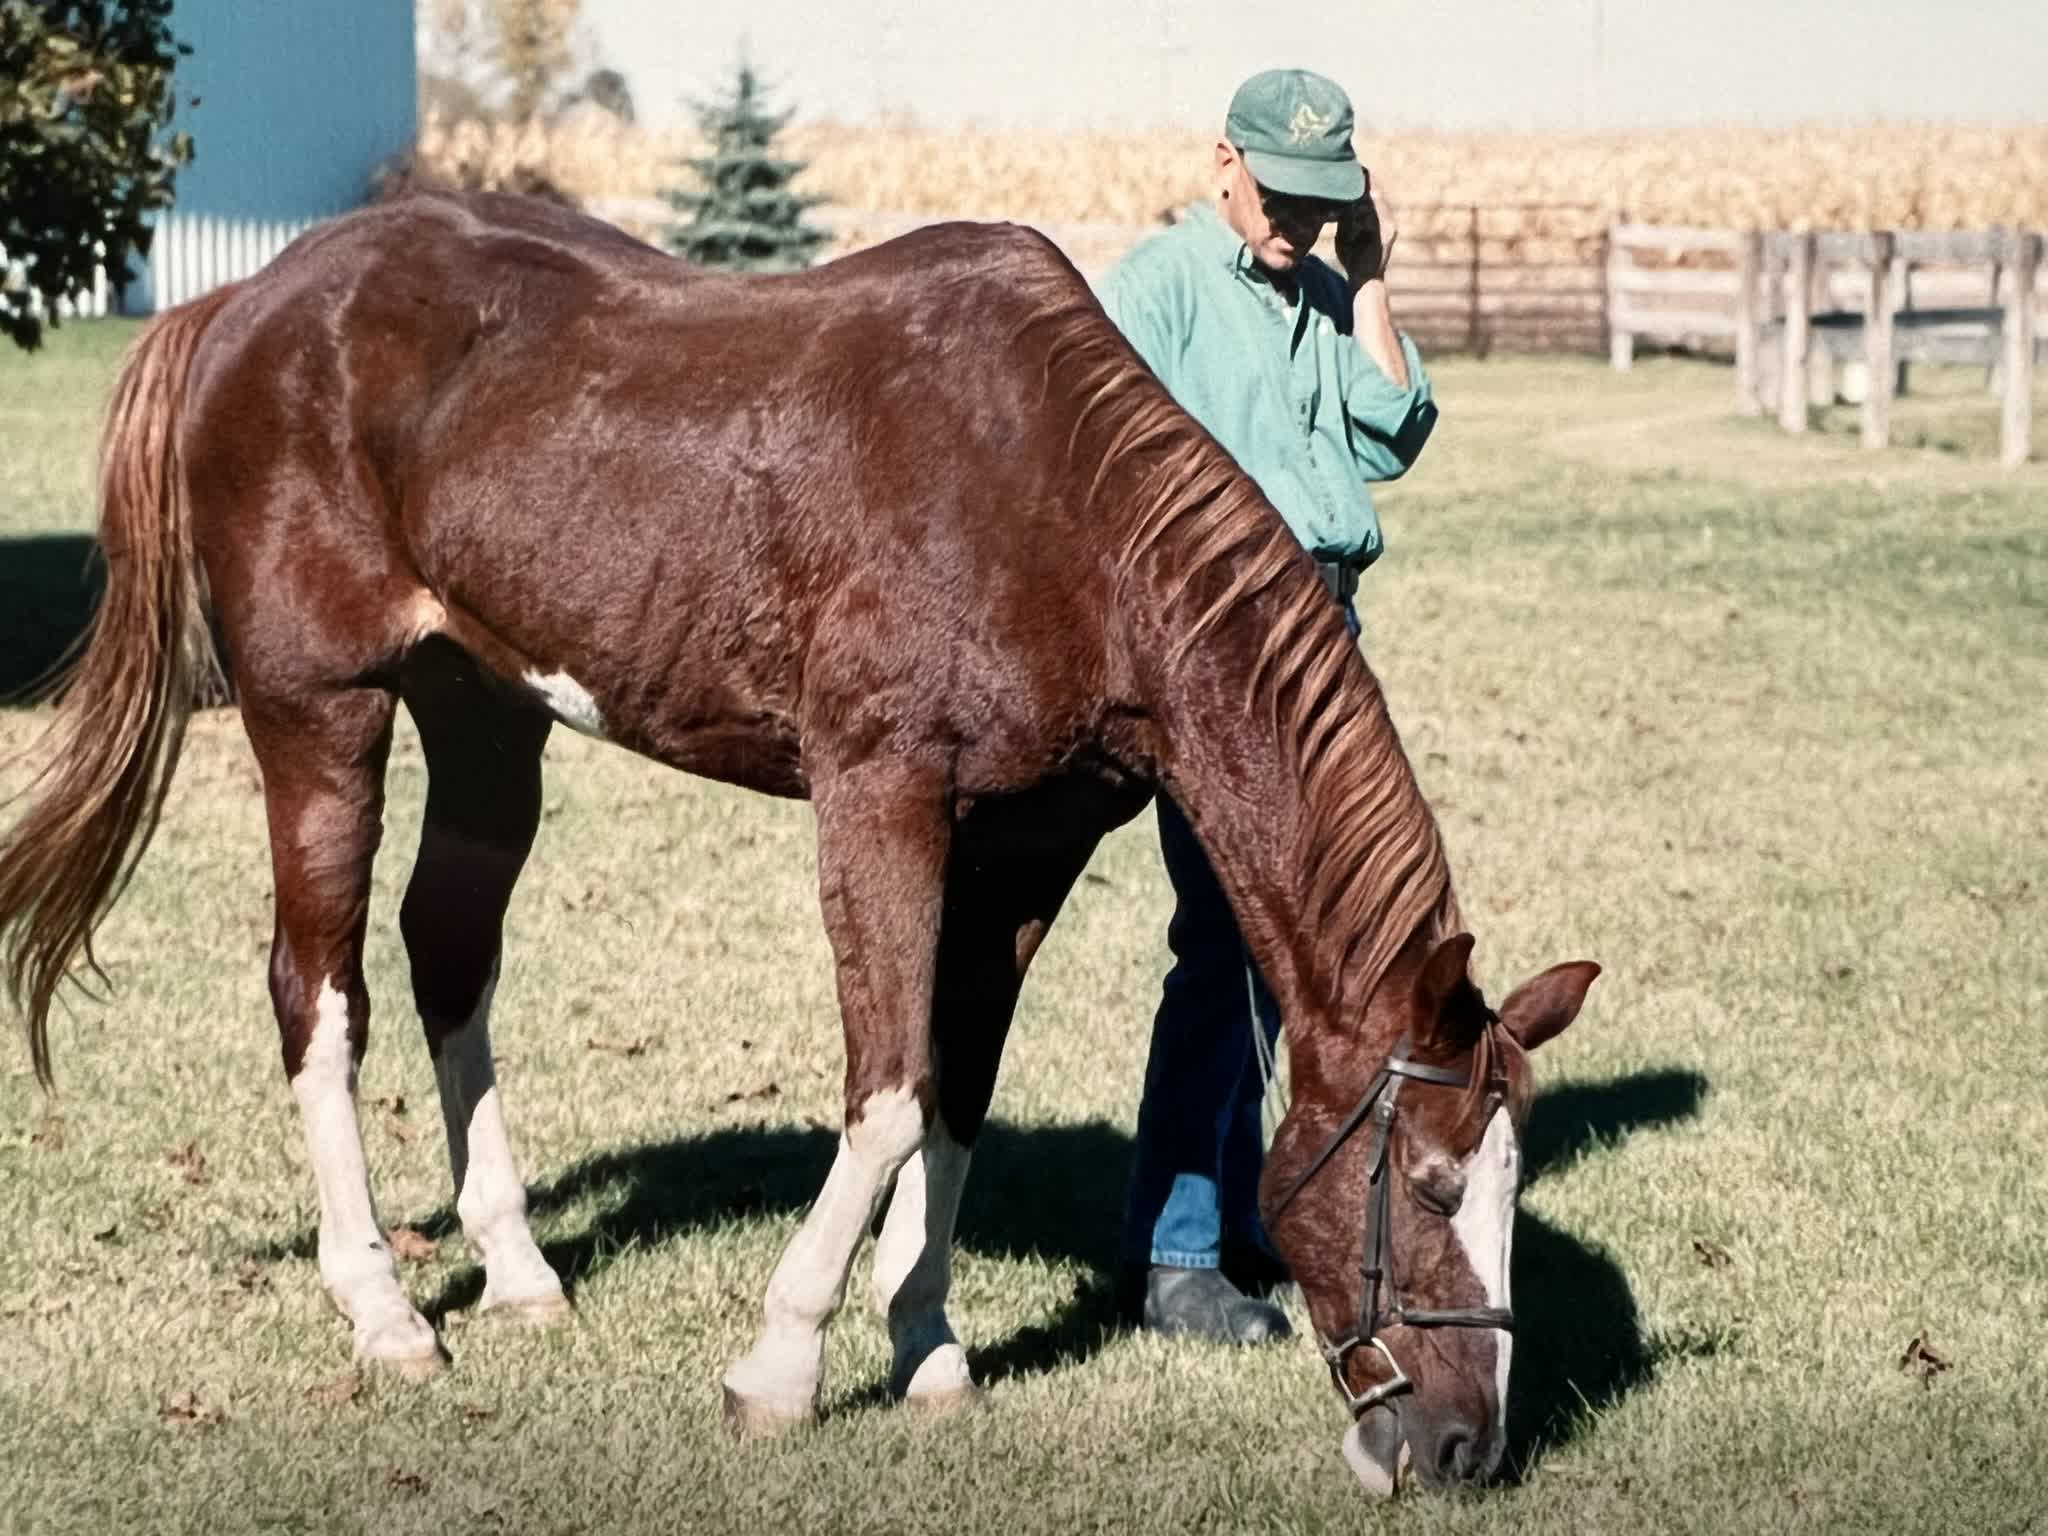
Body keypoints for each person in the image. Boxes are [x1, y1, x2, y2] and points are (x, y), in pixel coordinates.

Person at [1099, 67, 1439, 1345]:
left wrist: (1367, 278)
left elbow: (1393, 429)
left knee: (1295, 958)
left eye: (1322, 199)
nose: (1296, 218)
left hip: (1326, 645)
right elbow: (1097, 474)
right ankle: (1176, 1251)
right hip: (1221, 659)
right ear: (1222, 163)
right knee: (1225, 943)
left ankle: (1244, 1220)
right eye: (1281, 194)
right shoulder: (1157, 288)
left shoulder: (1316, 292)